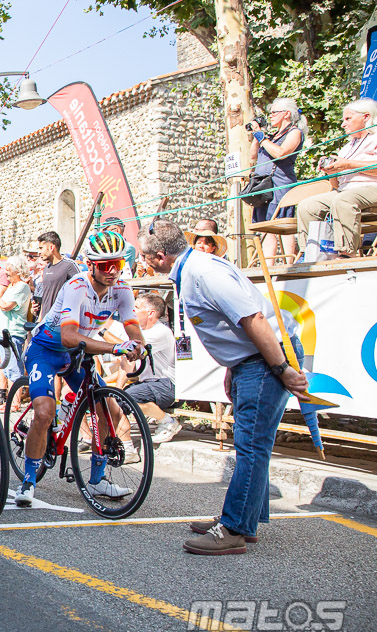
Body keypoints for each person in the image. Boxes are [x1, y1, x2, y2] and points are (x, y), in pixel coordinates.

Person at [140, 220, 309, 555]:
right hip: (254, 360)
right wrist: (236, 367)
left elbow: (254, 319)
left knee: (250, 446)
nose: (142, 265)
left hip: (266, 357)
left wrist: (281, 369)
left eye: (144, 259)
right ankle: (245, 518)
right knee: (252, 444)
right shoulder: (194, 270)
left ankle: (234, 528)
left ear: (160, 256)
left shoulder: (203, 273)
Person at [16, 230, 146, 508]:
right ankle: (28, 479)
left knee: (109, 408)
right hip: (47, 349)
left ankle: (97, 478)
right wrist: (115, 348)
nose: (112, 271)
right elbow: (68, 337)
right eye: (104, 266)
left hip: (79, 353)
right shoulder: (76, 287)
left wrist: (138, 345)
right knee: (43, 411)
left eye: (118, 264)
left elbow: (132, 325)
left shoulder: (122, 289)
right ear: (90, 264)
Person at [297, 97, 377, 257]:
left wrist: (347, 164)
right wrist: (331, 171)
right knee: (307, 206)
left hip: (371, 189)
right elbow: (336, 184)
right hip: (346, 191)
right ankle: (311, 253)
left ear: (366, 117)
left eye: (348, 118)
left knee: (343, 200)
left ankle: (346, 253)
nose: (343, 124)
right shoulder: (347, 146)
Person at [116, 292, 182, 443]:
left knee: (128, 396)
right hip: (149, 384)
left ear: (150, 313)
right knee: (117, 399)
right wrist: (118, 387)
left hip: (167, 384)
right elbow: (127, 363)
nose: (132, 311)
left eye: (137, 307)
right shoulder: (142, 334)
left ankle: (168, 422)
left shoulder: (159, 332)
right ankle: (125, 446)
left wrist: (104, 331)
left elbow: (128, 348)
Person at [248, 97, 306, 261]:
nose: (271, 116)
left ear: (286, 114)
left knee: (282, 223)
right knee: (265, 226)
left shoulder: (294, 132)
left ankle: (290, 263)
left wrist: (263, 138)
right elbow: (253, 155)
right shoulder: (271, 136)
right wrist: (257, 135)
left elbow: (280, 153)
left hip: (280, 183)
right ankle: (269, 265)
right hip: (262, 185)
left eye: (274, 112)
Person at [0, 256, 31, 387]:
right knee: (7, 369)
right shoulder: (11, 286)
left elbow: (6, 306)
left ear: (18, 270)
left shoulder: (22, 287)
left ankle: (14, 404)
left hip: (13, 332)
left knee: (14, 369)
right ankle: (11, 402)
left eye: (9, 269)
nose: (6, 272)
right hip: (4, 331)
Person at [36, 231, 80, 322]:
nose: (39, 252)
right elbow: (46, 296)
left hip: (62, 322)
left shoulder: (69, 265)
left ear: (51, 247)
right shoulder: (46, 268)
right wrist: (40, 320)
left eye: (41, 248)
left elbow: (82, 291)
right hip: (46, 322)